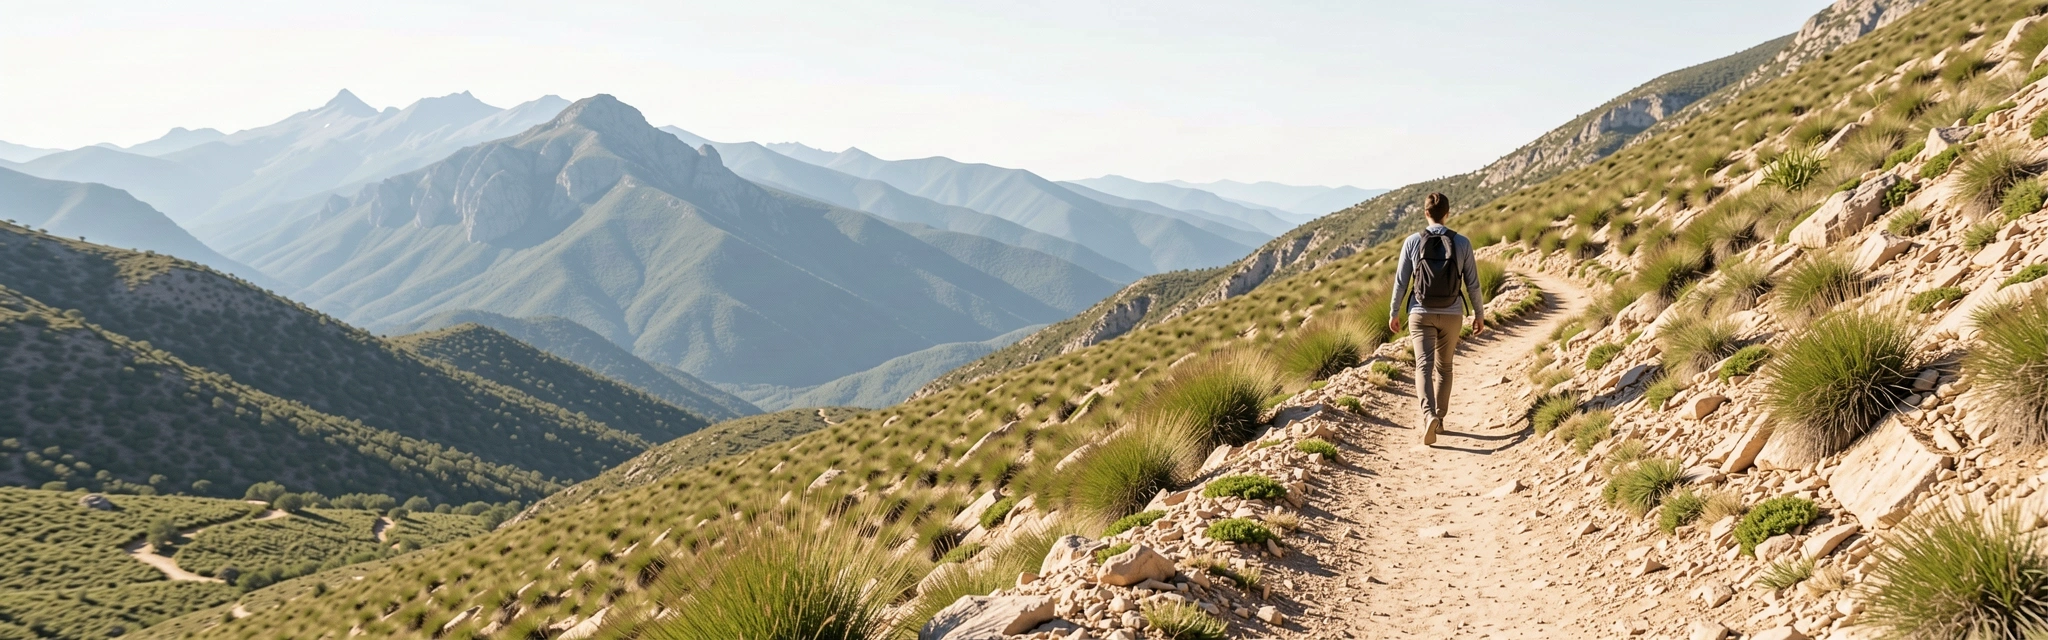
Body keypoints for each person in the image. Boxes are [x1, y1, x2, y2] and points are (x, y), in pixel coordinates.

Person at [1387, 192, 1485, 446]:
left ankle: (1428, 414)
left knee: (1423, 366)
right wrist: (1479, 314)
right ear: (1448, 213)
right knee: (1445, 367)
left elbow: (1400, 282)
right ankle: (1440, 419)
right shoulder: (1462, 242)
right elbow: (1472, 284)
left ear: (1426, 213)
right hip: (1452, 314)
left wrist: (1394, 312)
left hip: (1420, 313)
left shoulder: (1412, 242)